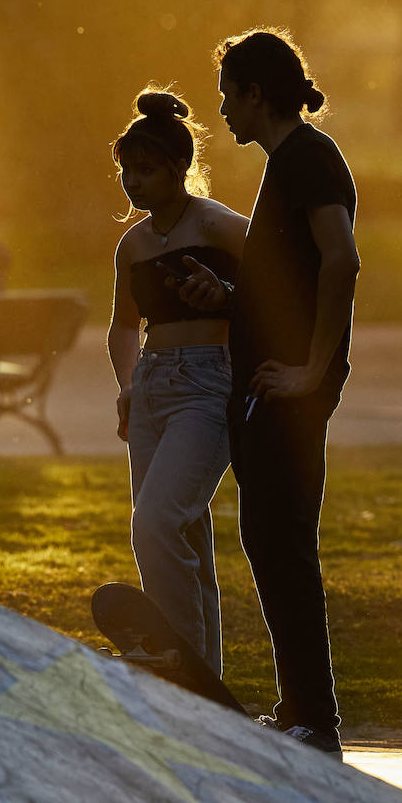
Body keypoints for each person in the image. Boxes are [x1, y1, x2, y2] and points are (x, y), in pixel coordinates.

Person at [179, 29, 360, 757]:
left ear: (257, 93)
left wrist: (315, 372)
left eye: (228, 92)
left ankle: (316, 719)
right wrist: (229, 295)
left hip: (287, 394)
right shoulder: (287, 163)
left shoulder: (309, 159)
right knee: (271, 544)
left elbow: (342, 262)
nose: (221, 108)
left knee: (284, 548)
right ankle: (300, 712)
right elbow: (291, 279)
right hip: (266, 388)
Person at [106, 87, 248, 675]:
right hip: (153, 388)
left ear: (179, 168)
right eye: (126, 171)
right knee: (186, 537)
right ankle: (203, 675)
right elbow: (121, 326)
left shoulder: (219, 226)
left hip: (208, 384)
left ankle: (178, 661)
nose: (133, 183)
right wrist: (128, 383)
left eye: (145, 170)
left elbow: (285, 286)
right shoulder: (132, 244)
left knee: (157, 522)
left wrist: (232, 298)